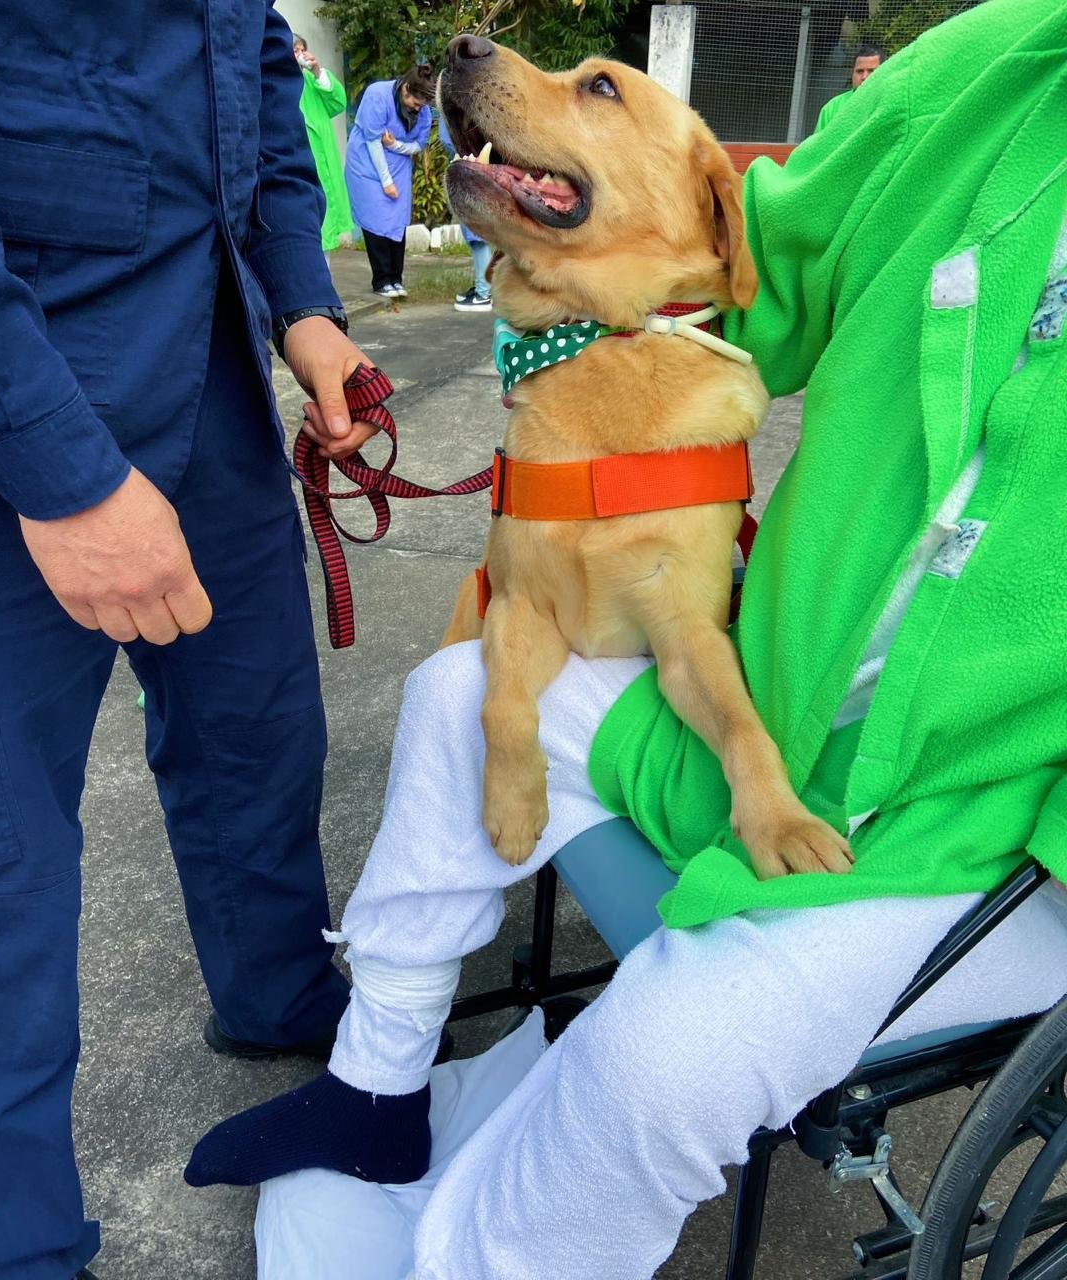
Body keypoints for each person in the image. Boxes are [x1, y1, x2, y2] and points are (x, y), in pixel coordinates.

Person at [186, 3, 1067, 1277]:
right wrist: (569, 321)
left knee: (661, 1055)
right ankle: (375, 1087)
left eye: (595, 87)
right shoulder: (998, 63)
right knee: (452, 694)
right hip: (790, 709)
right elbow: (745, 261)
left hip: (1003, 831)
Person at [0, 4, 385, 1278]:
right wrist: (58, 470)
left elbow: (247, 57)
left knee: (256, 729)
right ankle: (14, 1245)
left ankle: (276, 992)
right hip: (16, 369)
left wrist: (300, 304)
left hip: (206, 365)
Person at [344, 65, 435, 298]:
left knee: (396, 222)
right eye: (416, 103)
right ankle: (381, 280)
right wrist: (386, 181)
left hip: (399, 166)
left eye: (423, 105)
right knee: (375, 220)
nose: (418, 108)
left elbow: (418, 146)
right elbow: (373, 141)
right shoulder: (377, 95)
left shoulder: (423, 112)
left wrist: (395, 145)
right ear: (406, 89)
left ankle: (396, 278)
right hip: (367, 165)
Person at [292, 33, 355, 252]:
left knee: (324, 234)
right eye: (295, 51)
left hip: (323, 165)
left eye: (302, 50)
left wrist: (318, 72)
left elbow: (337, 103)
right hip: (299, 166)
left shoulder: (312, 80)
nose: (300, 55)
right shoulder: (277, 84)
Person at [437, 116, 493, 313]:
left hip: (473, 166)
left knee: (477, 236)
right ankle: (481, 287)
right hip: (469, 163)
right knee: (475, 236)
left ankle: (484, 293)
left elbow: (449, 140)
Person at [815, 41, 884, 131]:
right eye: (859, 71)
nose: (864, 77)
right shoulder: (831, 108)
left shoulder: (890, 104)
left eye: (871, 71)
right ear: (852, 73)